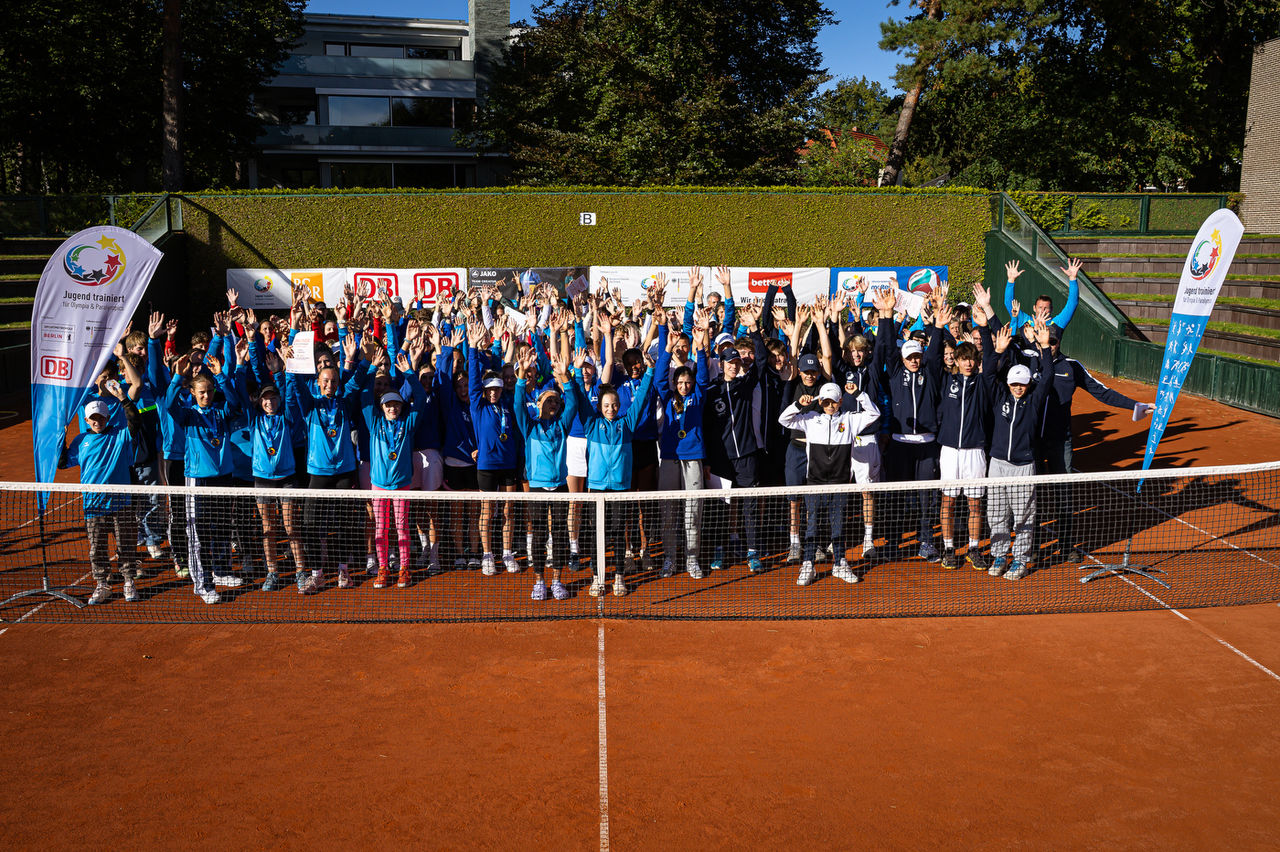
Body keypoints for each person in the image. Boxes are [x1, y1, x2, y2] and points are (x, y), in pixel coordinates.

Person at [569, 346, 656, 597]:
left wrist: (649, 372)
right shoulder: (591, 423)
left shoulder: (627, 424)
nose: (611, 408)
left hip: (620, 488)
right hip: (596, 488)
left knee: (618, 533)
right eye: (607, 404)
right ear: (601, 406)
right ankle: (598, 578)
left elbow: (639, 400)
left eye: (615, 404)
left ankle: (619, 577)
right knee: (598, 536)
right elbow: (580, 399)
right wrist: (576, 372)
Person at [777, 381, 880, 587]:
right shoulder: (810, 419)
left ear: (841, 401)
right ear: (820, 402)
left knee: (838, 524)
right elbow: (783, 419)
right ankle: (808, 563)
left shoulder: (851, 420)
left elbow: (874, 413)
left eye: (833, 401)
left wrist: (858, 393)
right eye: (825, 402)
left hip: (840, 483)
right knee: (812, 524)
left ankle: (840, 562)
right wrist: (799, 405)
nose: (830, 406)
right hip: (815, 482)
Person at [871, 286, 946, 561]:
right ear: (902, 359)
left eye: (917, 356)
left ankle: (926, 542)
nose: (914, 360)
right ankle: (893, 543)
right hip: (900, 445)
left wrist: (937, 327)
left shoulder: (931, 372)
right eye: (909, 357)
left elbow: (936, 353)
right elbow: (888, 347)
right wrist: (887, 316)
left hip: (927, 445)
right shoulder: (895, 372)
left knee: (927, 498)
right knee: (896, 498)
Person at [980, 319, 1055, 580]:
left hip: (1024, 465)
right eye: (1014, 383)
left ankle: (1021, 560)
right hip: (997, 463)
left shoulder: (1033, 401)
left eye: (1022, 383)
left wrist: (1044, 347)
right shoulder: (1000, 397)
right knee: (997, 514)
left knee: (1023, 516)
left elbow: (1047, 378)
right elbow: (988, 375)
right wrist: (997, 351)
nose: (1018, 387)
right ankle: (1000, 554)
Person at [59, 388, 143, 605]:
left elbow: (135, 422)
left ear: (107, 417)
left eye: (101, 417)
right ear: (86, 420)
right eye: (93, 418)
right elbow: (61, 463)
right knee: (97, 548)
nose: (97, 421)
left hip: (121, 502)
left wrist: (124, 399)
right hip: (93, 505)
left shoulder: (120, 435)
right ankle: (102, 584)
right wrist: (61, 436)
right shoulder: (80, 441)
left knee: (126, 545)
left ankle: (128, 582)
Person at [513, 348, 579, 600]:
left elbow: (572, 403)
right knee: (539, 534)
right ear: (538, 404)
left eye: (555, 400)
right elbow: (518, 403)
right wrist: (521, 376)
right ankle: (539, 581)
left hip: (560, 486)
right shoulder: (530, 426)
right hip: (538, 488)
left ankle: (558, 580)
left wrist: (564, 378)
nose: (553, 403)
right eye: (547, 400)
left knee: (560, 534)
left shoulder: (562, 425)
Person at [654, 308, 712, 579]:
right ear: (675, 383)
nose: (685, 386)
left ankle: (691, 559)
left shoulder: (699, 398)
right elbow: (657, 378)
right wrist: (666, 345)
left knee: (693, 512)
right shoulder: (666, 397)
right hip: (669, 458)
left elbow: (703, 377)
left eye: (688, 382)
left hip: (693, 458)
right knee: (668, 512)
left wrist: (700, 346)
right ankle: (669, 558)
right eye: (681, 382)